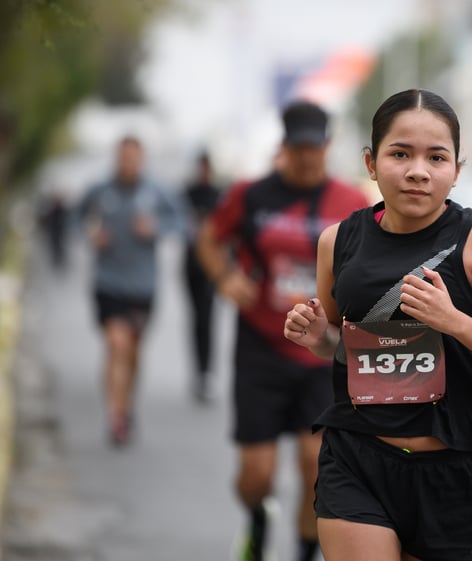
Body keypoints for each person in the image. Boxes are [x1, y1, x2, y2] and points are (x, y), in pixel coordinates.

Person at [283, 89, 472, 561]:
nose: (418, 170)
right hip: (356, 461)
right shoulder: (337, 242)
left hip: (452, 473)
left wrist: (455, 322)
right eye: (400, 153)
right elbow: (341, 347)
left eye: (436, 157)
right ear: (371, 163)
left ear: (455, 170)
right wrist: (318, 338)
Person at [197, 100, 369, 561]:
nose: (307, 157)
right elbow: (210, 238)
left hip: (320, 353)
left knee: (315, 466)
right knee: (257, 475)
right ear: (284, 147)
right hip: (261, 349)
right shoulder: (251, 195)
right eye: (298, 148)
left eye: (315, 148)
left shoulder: (351, 203)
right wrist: (225, 277)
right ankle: (256, 517)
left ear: (328, 147)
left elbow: (372, 263)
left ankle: (303, 551)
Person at [75, 135, 184, 446]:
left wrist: (156, 229)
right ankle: (115, 415)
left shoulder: (157, 190)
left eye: (133, 158)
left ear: (142, 159)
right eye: (123, 157)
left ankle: (126, 405)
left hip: (142, 286)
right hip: (107, 281)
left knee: (133, 350)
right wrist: (91, 232)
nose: (128, 163)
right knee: (115, 343)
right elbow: (76, 217)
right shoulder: (100, 189)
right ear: (116, 158)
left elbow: (182, 221)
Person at [182, 151, 221, 403]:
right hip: (190, 264)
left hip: (211, 266)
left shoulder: (218, 195)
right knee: (195, 318)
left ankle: (206, 371)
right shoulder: (188, 193)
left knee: (208, 319)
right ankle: (197, 370)